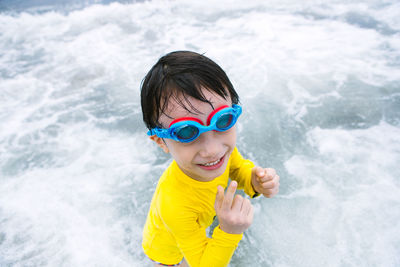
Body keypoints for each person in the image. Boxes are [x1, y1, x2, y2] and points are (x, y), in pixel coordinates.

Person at [140, 51, 280, 267]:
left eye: (223, 120)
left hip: (194, 227)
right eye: (187, 132)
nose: (212, 149)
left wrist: (255, 180)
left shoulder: (224, 151)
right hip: (166, 250)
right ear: (161, 141)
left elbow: (237, 168)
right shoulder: (174, 205)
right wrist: (229, 232)